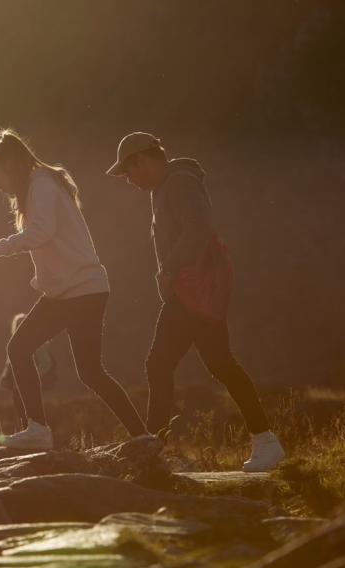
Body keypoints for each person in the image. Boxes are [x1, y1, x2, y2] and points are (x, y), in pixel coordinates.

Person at [106, 131, 286, 472]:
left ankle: (152, 450)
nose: (128, 180)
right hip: (196, 290)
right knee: (220, 363)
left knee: (159, 363)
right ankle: (266, 440)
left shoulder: (179, 183)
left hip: (194, 289)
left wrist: (169, 270)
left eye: (129, 172)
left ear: (143, 161)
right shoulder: (165, 186)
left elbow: (200, 228)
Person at [0, 129, 154, 451]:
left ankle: (137, 436)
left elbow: (40, 233)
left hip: (81, 290)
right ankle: (45, 429)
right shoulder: (37, 186)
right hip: (69, 291)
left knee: (75, 367)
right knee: (39, 355)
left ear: (11, 166)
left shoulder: (42, 183)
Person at [0, 313, 57, 433]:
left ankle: (34, 435)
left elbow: (46, 363)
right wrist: (5, 379)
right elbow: (9, 364)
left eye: (21, 325)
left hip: (31, 385)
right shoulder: (15, 344)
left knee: (31, 411)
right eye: (18, 325)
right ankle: (26, 434)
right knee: (21, 412)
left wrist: (31, 379)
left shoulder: (37, 342)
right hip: (17, 386)